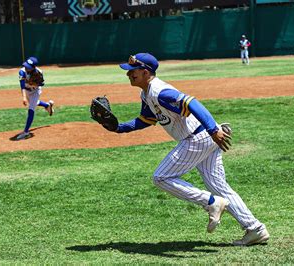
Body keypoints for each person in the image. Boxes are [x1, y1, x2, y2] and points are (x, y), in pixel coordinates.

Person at [112, 53, 269, 246]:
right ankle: (255, 229)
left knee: (161, 177)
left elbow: (193, 103)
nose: (128, 75)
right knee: (219, 186)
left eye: (132, 72)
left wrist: (213, 130)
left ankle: (210, 202)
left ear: (145, 72)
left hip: (198, 137)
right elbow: (145, 120)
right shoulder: (146, 93)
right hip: (203, 137)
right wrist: (118, 127)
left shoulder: (160, 91)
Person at [16, 57, 54, 140]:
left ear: (33, 67)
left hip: (35, 91)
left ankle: (26, 132)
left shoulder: (39, 72)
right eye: (25, 65)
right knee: (35, 103)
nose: (26, 68)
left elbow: (41, 84)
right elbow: (22, 86)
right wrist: (24, 97)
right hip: (26, 91)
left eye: (28, 67)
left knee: (31, 109)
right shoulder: (22, 72)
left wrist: (34, 83)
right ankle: (47, 105)